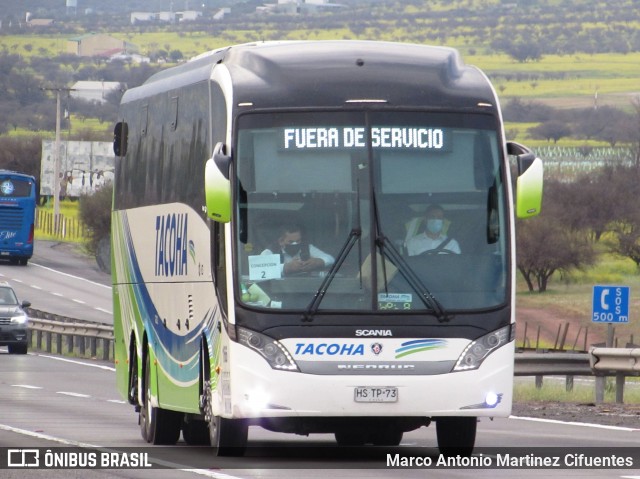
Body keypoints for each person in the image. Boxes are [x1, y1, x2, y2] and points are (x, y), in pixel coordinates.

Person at [261, 223, 335, 275]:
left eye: (298, 241)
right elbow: (260, 269)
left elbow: (330, 258)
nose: (295, 244)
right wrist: (287, 267)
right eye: (291, 242)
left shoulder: (307, 247)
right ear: (281, 241)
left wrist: (317, 262)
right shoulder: (270, 252)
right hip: (279, 289)